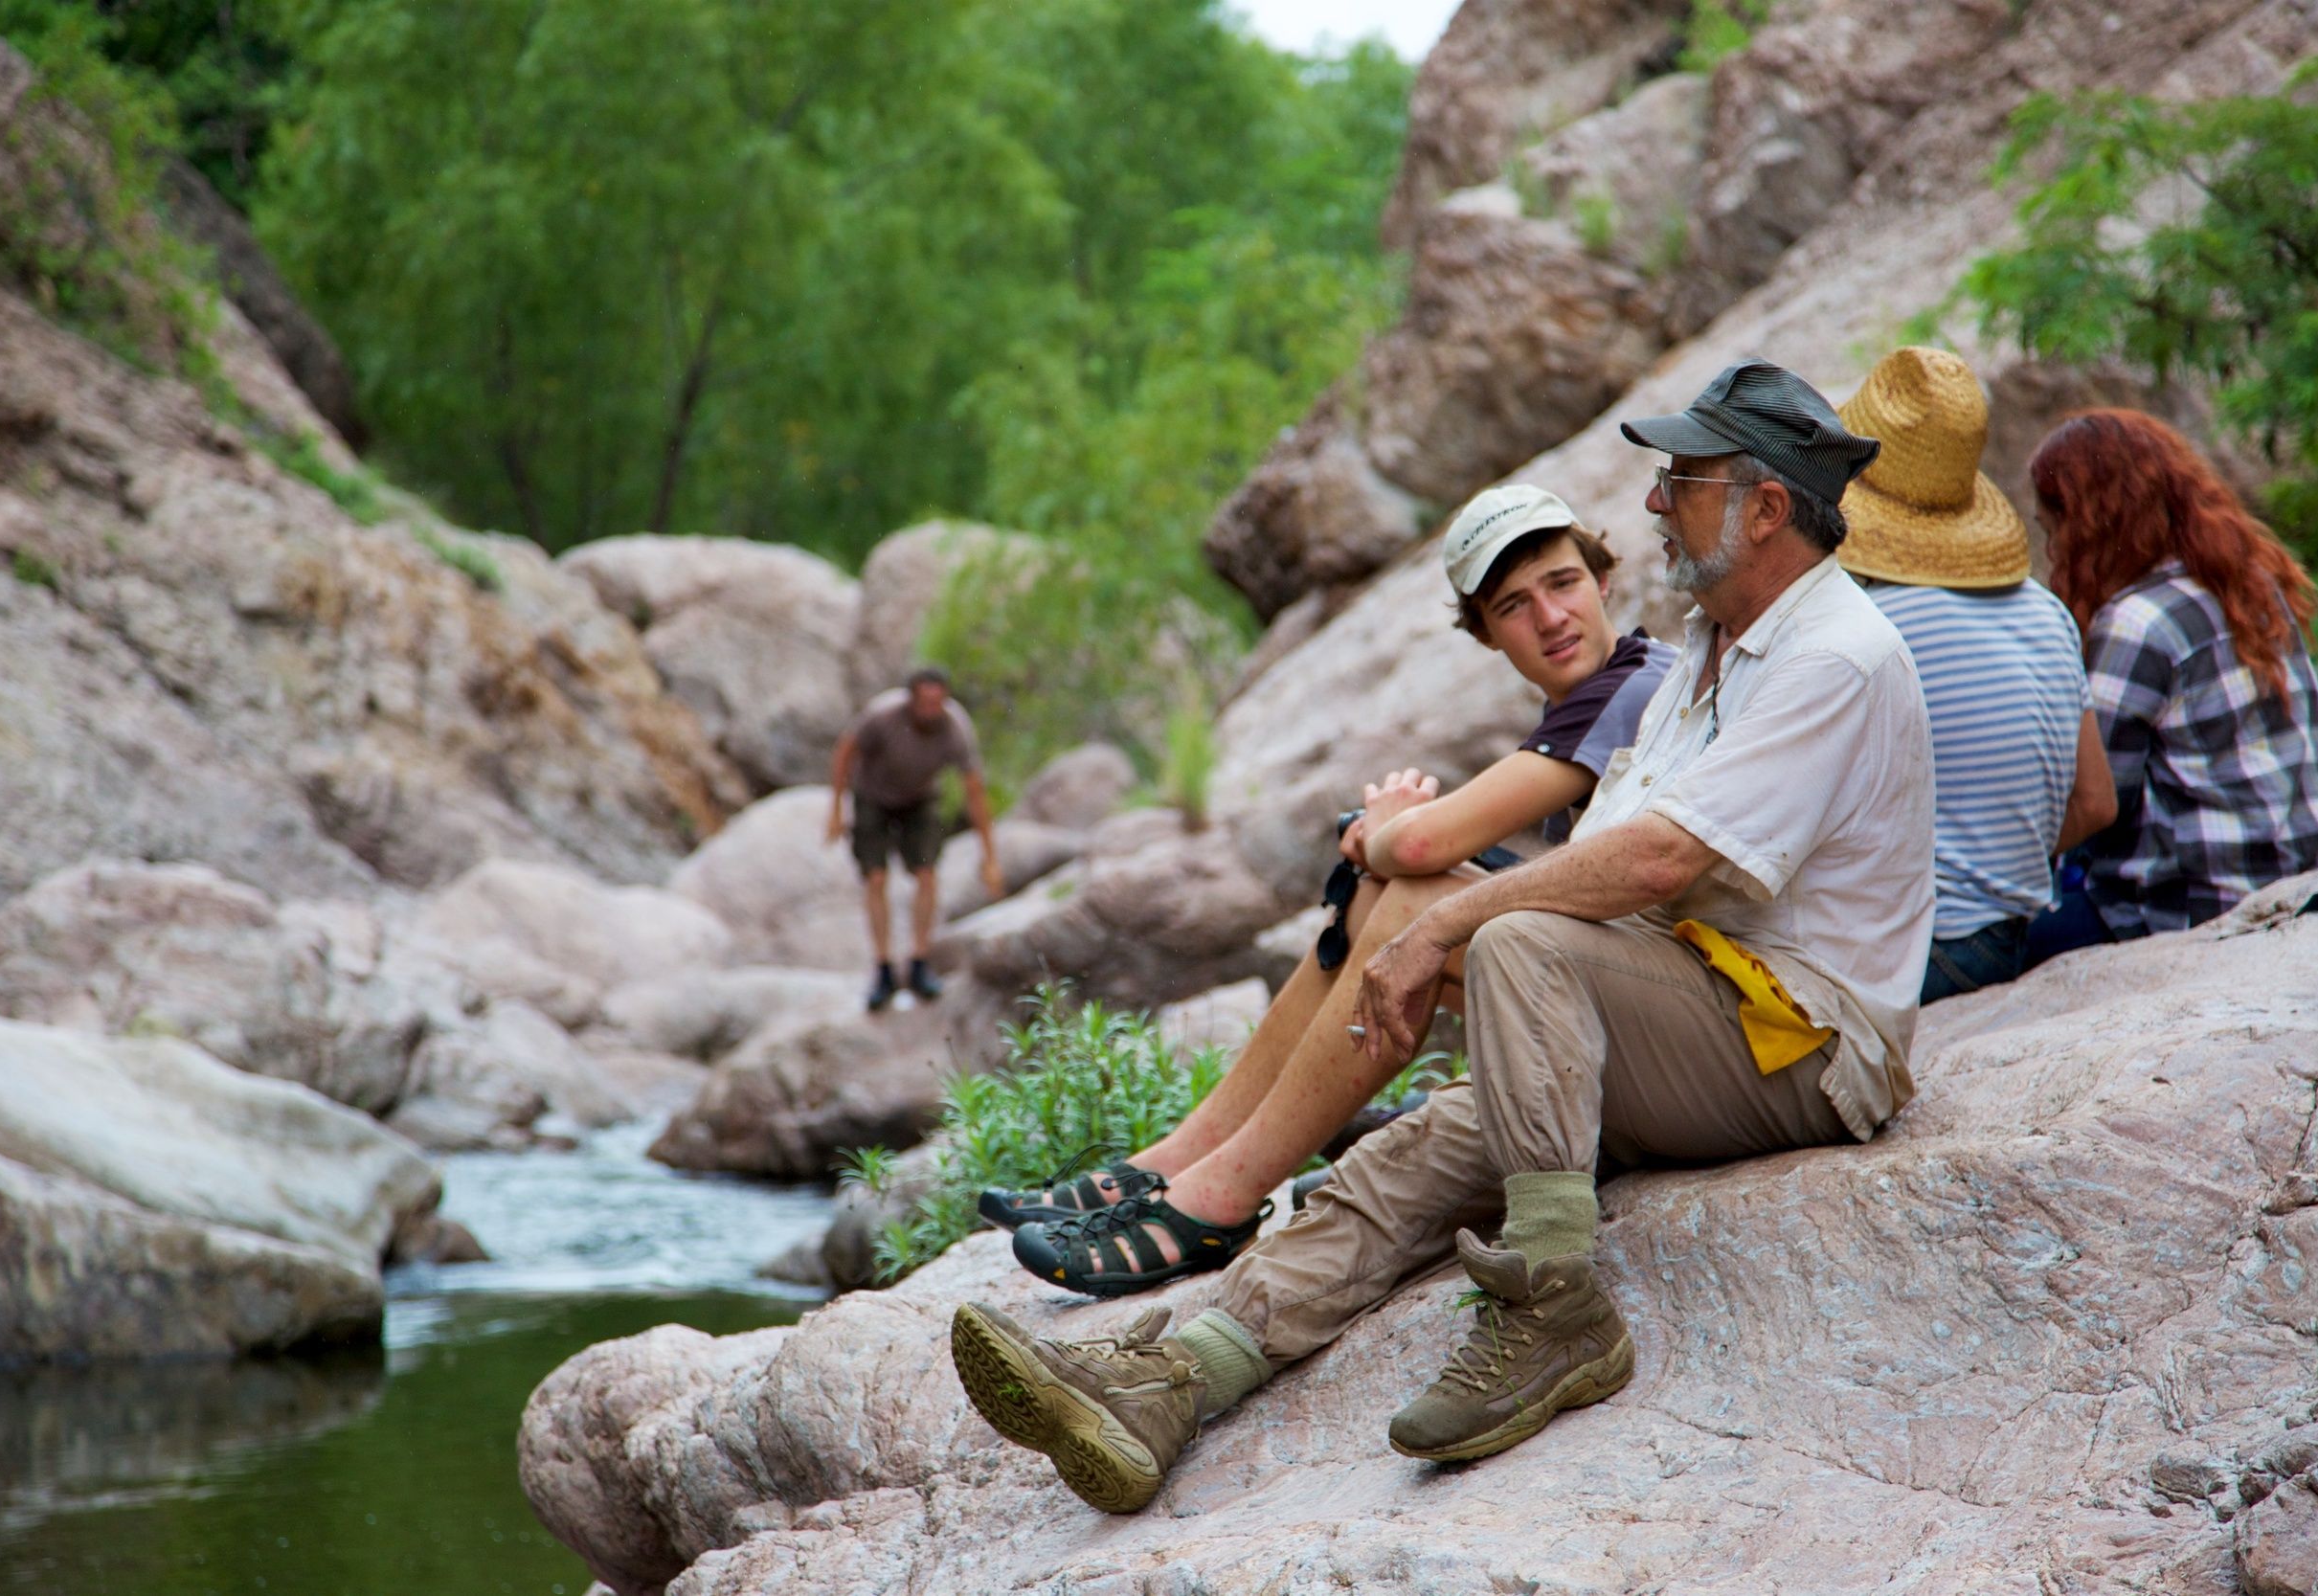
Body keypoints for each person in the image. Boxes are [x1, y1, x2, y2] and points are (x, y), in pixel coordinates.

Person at [947, 357, 1935, 1514]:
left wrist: (1449, 920)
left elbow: (1658, 860)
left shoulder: (1834, 654)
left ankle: (1558, 1309)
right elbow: (1621, 851)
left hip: (1801, 1043)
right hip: (1684, 1009)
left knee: (1519, 939)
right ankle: (1172, 1377)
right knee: (1397, 1165)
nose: (1658, 501)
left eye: (1685, 478)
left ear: (1766, 507)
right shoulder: (1715, 644)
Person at [979, 485, 1677, 1297]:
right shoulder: (1602, 697)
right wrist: (1382, 847)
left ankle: (1219, 1198)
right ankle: (1178, 1163)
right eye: (1514, 604)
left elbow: (1420, 840)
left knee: (1411, 892)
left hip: (1681, 1031)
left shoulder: (1631, 685)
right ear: (1485, 633)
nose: (1551, 617)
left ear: (1603, 580)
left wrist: (1381, 827)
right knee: (1379, 891)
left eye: (1563, 583)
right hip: (1631, 998)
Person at [1831, 347, 2117, 1000]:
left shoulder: (1871, 626)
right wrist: (1999, 866)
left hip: (1917, 950)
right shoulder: (2047, 611)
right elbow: (2097, 802)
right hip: (2014, 936)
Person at [2022, 410, 2318, 962]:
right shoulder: (2249, 580)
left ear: (2088, 524)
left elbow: (2093, 805)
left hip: (2208, 911)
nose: (2054, 552)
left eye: (2051, 529)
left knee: (2000, 943)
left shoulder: (2137, 623)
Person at [825, 666, 1004, 1010]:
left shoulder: (955, 730)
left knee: (927, 875)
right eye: (924, 702)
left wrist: (990, 855)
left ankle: (919, 962)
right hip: (873, 796)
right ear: (910, 701)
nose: (930, 710)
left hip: (920, 800)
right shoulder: (882, 717)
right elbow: (846, 750)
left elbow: (975, 791)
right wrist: (836, 808)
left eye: (937, 702)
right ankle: (883, 968)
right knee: (876, 878)